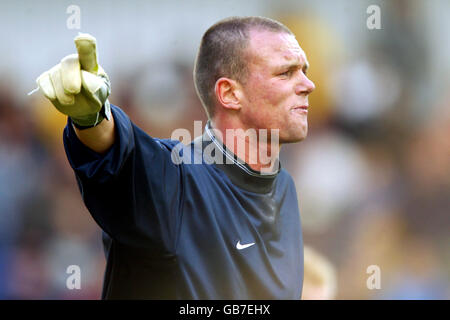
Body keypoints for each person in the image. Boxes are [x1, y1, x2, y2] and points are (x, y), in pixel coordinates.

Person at [35, 16, 315, 299]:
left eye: (304, 71)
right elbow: (118, 157)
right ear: (230, 93)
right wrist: (91, 118)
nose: (308, 84)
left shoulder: (284, 186)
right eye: (286, 73)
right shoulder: (175, 180)